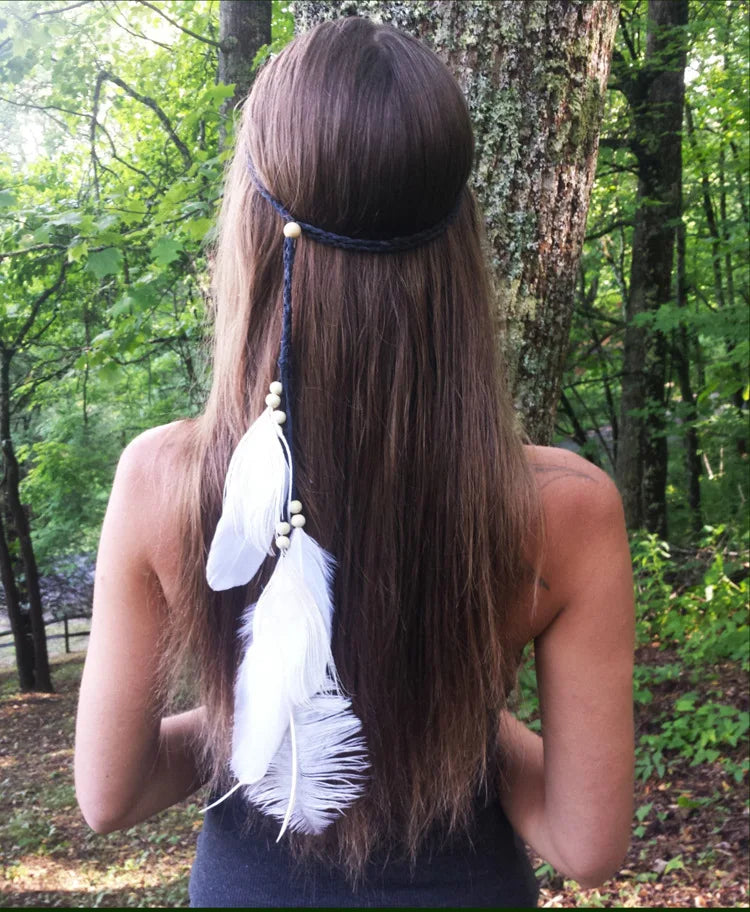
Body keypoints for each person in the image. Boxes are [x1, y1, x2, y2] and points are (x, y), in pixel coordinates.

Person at [74, 16, 635, 909]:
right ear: (460, 244)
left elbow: (111, 792)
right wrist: (451, 726)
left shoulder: (164, 482)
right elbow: (587, 842)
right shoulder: (564, 509)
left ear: (254, 232)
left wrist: (251, 716)